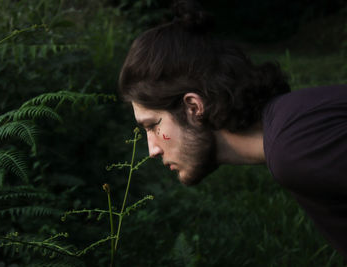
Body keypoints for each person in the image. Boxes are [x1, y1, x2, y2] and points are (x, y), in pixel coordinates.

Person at [118, 0, 347, 258]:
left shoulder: (293, 148)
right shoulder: (290, 135)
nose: (152, 149)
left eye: (153, 126)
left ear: (193, 106)